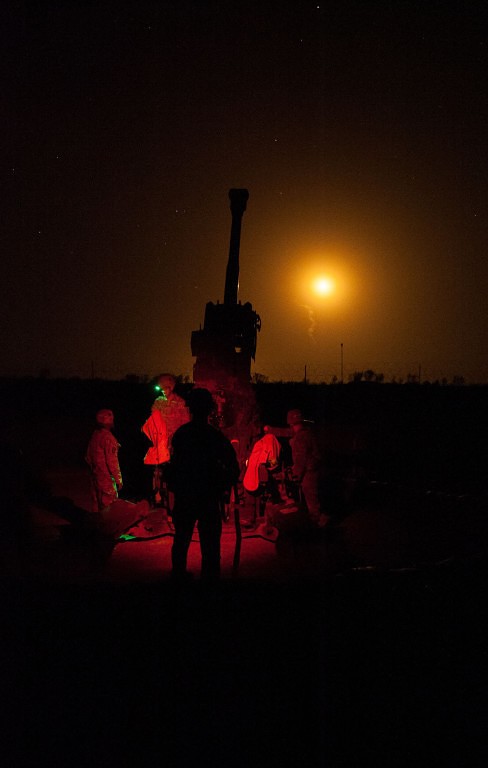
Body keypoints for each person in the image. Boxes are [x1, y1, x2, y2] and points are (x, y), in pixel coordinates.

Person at [167, 388, 240, 579]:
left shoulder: (181, 435)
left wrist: (175, 488)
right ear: (209, 409)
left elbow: (172, 467)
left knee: (182, 537)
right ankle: (210, 579)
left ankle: (178, 576)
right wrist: (224, 486)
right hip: (208, 497)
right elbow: (233, 467)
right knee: (210, 542)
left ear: (190, 409)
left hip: (186, 496)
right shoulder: (214, 436)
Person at [265, 409, 329, 528]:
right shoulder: (305, 432)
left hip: (309, 472)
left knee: (311, 499)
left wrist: (295, 475)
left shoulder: (300, 438)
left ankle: (317, 524)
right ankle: (319, 520)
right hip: (312, 469)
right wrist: (271, 430)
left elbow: (300, 459)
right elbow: (287, 432)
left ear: (291, 423)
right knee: (313, 498)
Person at [142, 374, 190, 507]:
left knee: (177, 471)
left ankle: (177, 497)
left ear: (172, 387)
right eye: (161, 388)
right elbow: (152, 421)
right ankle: (158, 496)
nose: (163, 390)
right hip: (161, 442)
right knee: (157, 470)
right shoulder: (158, 402)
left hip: (176, 443)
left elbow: (185, 423)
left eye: (166, 388)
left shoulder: (180, 403)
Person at [85, 409, 123, 512]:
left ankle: (97, 527)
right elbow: (112, 462)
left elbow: (88, 457)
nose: (113, 419)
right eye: (111, 418)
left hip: (95, 477)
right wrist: (118, 479)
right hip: (106, 480)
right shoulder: (108, 438)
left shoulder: (95, 435)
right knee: (109, 508)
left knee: (97, 506)